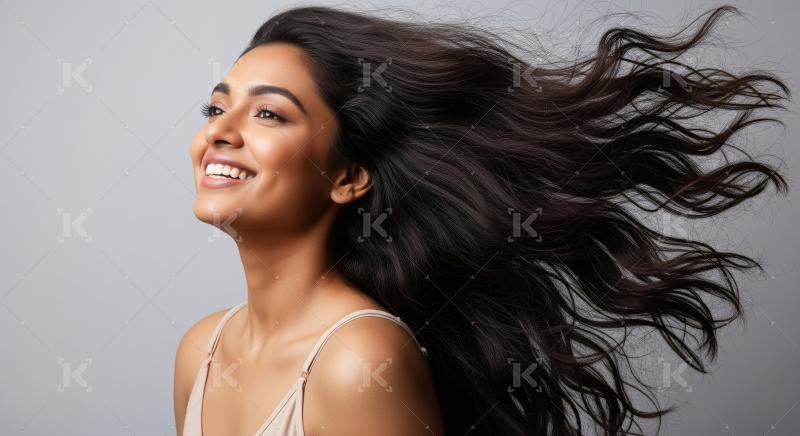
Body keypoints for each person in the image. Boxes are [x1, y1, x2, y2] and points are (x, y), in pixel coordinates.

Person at [174, 4, 789, 435]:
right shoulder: (201, 349)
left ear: (347, 177)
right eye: (216, 107)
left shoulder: (358, 361)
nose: (219, 133)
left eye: (270, 116)